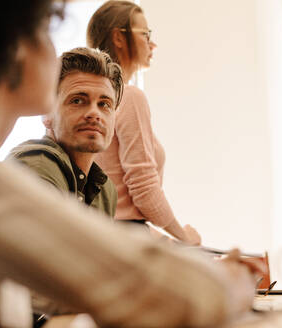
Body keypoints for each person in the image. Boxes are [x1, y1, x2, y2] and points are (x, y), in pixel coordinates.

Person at [0, 1, 262, 327]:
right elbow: (150, 290)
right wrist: (230, 279)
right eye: (47, 34)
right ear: (14, 48)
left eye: (105, 103)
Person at [87, 0, 201, 245]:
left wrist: (164, 240)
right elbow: (143, 187)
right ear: (119, 37)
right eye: (145, 34)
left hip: (108, 236)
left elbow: (121, 199)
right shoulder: (128, 96)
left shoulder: (93, 102)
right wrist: (184, 238)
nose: (152, 44)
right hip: (126, 239)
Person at [7, 48, 121, 217]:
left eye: (104, 104)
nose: (94, 113)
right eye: (77, 100)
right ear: (47, 114)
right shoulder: (35, 167)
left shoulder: (105, 190)